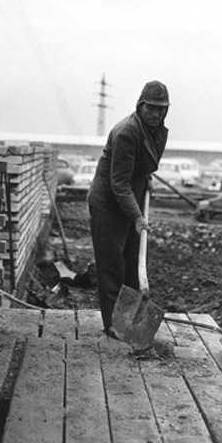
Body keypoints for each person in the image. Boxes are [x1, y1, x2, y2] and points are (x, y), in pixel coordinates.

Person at [86, 80, 170, 339]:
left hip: (130, 198)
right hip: (109, 204)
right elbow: (119, 181)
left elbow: (142, 165)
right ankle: (113, 323)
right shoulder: (126, 132)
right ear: (140, 106)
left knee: (134, 264)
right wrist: (137, 217)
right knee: (112, 266)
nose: (155, 114)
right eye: (151, 108)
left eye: (161, 109)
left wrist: (147, 181)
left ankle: (132, 319)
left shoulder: (158, 131)